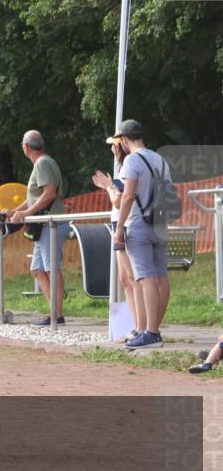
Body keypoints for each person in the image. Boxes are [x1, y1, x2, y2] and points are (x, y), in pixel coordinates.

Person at [113, 120, 172, 350]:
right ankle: (154, 329)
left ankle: (151, 332)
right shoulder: (161, 159)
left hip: (138, 224)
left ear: (125, 140)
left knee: (145, 277)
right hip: (159, 223)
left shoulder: (131, 160)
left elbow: (127, 197)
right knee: (161, 276)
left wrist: (119, 229)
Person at [6, 131, 69, 326]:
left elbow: (49, 194)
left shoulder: (42, 163)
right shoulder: (43, 163)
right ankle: (53, 311)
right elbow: (34, 196)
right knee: (37, 269)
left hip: (51, 224)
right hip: (44, 225)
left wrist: (26, 214)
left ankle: (57, 315)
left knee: (52, 269)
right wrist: (15, 211)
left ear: (26, 147)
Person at [92, 136, 145, 342]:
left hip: (125, 225)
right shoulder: (123, 166)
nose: (113, 150)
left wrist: (107, 186)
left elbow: (118, 200)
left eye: (114, 146)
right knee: (125, 279)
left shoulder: (129, 167)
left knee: (132, 278)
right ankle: (135, 326)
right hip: (118, 224)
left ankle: (140, 327)